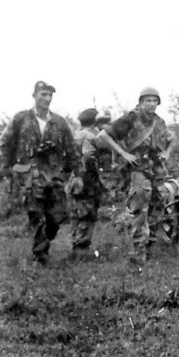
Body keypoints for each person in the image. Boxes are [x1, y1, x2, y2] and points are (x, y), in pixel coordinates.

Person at [0, 81, 79, 264]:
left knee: (58, 216)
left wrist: (77, 172)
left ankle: (44, 241)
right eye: (43, 94)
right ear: (34, 96)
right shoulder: (21, 119)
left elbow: (72, 148)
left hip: (54, 175)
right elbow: (4, 142)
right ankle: (40, 254)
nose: (47, 99)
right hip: (30, 174)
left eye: (50, 95)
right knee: (36, 213)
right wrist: (10, 166)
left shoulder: (59, 122)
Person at [96, 87, 171, 264]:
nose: (152, 104)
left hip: (156, 171)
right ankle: (138, 254)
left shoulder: (159, 121)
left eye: (155, 101)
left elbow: (171, 139)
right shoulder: (131, 118)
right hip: (138, 171)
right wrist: (123, 153)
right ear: (141, 102)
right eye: (148, 100)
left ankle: (149, 248)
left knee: (157, 208)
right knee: (139, 211)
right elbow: (104, 135)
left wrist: (166, 153)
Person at [68, 108, 103, 259]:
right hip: (86, 179)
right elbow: (88, 156)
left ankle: (76, 245)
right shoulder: (91, 136)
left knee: (77, 213)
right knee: (87, 213)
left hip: (74, 179)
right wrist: (95, 171)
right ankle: (81, 249)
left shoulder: (75, 135)